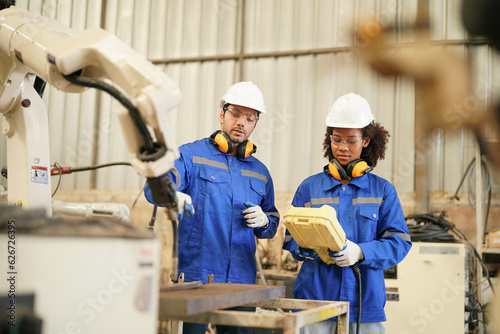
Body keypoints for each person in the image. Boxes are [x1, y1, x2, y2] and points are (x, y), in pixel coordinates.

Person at [145, 81, 280, 334]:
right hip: (196, 277)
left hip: (242, 281)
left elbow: (271, 223)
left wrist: (265, 221)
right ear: (222, 115)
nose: (241, 122)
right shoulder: (191, 156)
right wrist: (172, 194)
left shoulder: (260, 173)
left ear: (255, 124)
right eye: (235, 114)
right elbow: (154, 189)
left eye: (250, 118)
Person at [283, 93, 412, 334]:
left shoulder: (382, 191)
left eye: (351, 140)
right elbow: (291, 240)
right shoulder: (308, 188)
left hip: (364, 306)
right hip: (315, 303)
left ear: (366, 140)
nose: (342, 147)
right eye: (336, 139)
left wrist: (361, 252)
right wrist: (311, 248)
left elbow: (399, 243)